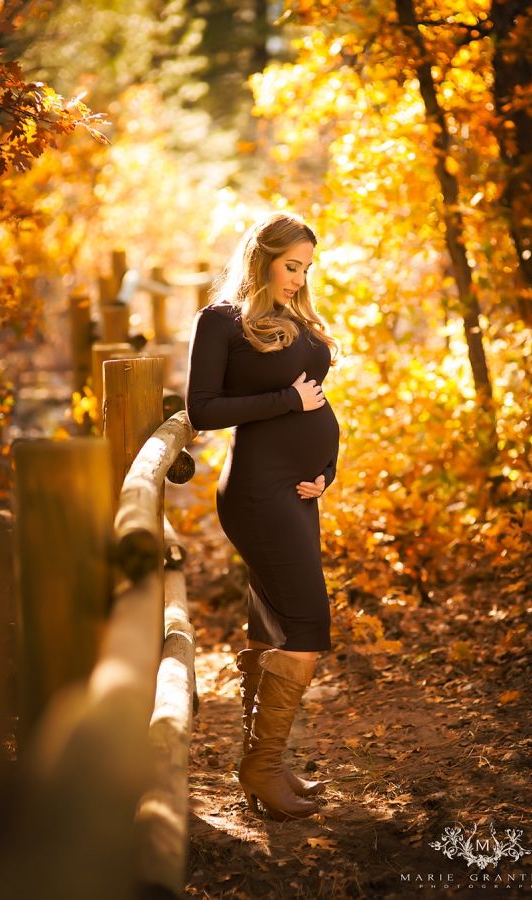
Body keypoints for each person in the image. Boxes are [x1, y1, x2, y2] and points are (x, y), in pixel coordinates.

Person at [185, 211, 340, 821]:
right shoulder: (220, 322)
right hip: (256, 493)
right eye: (290, 266)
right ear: (262, 259)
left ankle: (263, 765)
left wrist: (325, 471)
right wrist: (287, 401)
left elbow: (317, 405)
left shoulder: (295, 318)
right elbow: (203, 409)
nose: (299, 279)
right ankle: (262, 766)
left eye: (305, 268)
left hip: (296, 494)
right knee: (306, 627)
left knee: (269, 627)